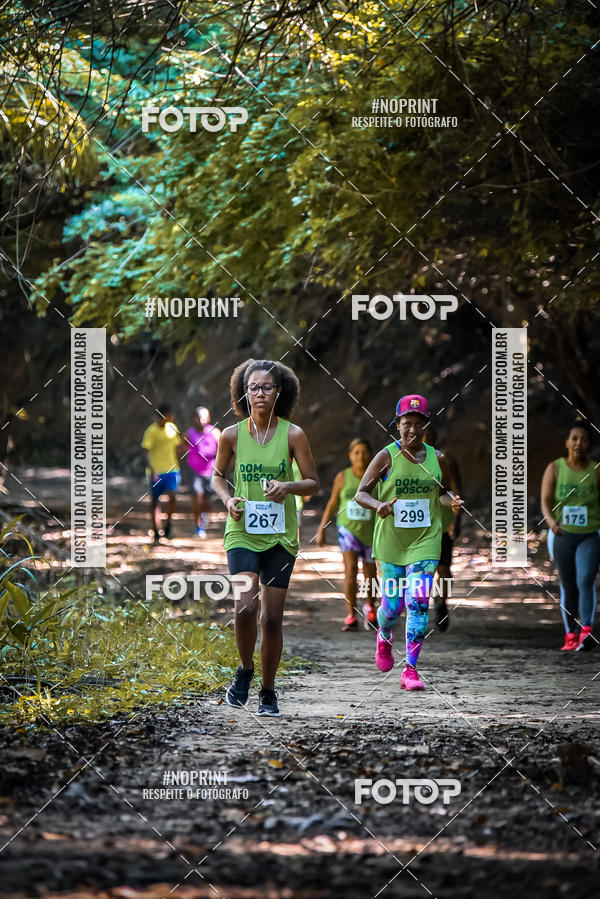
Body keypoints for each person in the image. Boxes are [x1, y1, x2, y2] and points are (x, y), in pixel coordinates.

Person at [212, 359, 319, 716]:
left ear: (279, 392)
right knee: (245, 608)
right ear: (244, 393)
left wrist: (288, 487)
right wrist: (229, 501)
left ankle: (268, 691)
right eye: (253, 388)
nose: (260, 394)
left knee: (272, 619)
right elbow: (216, 477)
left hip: (280, 535)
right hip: (241, 531)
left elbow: (312, 482)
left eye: (267, 388)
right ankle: (245, 670)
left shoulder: (293, 434)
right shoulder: (231, 435)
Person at [354, 395, 462, 691]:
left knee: (418, 603)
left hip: (426, 541)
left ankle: (410, 670)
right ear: (397, 425)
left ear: (426, 425)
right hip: (391, 544)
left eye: (418, 424)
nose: (412, 430)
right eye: (406, 424)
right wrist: (378, 505)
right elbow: (360, 494)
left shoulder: (438, 459)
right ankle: (384, 635)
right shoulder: (386, 457)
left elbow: (444, 493)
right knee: (392, 607)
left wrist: (452, 502)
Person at [541, 421, 600, 651]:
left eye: (584, 439)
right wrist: (551, 521)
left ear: (589, 445)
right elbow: (546, 501)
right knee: (568, 584)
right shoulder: (555, 468)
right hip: (562, 534)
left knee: (585, 579)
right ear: (567, 443)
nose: (579, 443)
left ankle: (586, 629)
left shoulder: (596, 470)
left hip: (590, 534)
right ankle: (571, 634)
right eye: (574, 438)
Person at [316, 438, 378, 631]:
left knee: (371, 574)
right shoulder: (343, 477)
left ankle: (370, 608)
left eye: (364, 452)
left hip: (371, 531)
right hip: (348, 530)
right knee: (350, 570)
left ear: (371, 455)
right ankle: (351, 614)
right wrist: (322, 528)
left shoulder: (377, 476)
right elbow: (333, 503)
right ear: (350, 456)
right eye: (356, 452)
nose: (361, 456)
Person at [426, 422, 462, 632]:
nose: (425, 436)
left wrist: (456, 521)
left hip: (444, 521)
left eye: (430, 432)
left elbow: (457, 493)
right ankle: (423, 603)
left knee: (444, 568)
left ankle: (442, 604)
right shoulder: (412, 459)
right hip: (422, 523)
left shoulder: (445, 458)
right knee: (425, 567)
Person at [141, 405, 183, 543]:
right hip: (156, 472)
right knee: (155, 500)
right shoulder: (151, 431)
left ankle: (168, 525)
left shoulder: (172, 428)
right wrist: (151, 468)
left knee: (172, 496)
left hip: (172, 470)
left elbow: (177, 447)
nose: (171, 418)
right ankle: (156, 530)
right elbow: (145, 451)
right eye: (169, 415)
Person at [187, 407, 221, 537]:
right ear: (195, 418)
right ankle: (198, 526)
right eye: (199, 417)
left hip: (210, 472)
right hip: (194, 472)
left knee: (207, 502)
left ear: (209, 418)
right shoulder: (189, 434)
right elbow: (180, 448)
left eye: (204, 417)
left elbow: (224, 450)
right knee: (197, 497)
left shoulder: (215, 433)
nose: (202, 420)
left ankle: (203, 516)